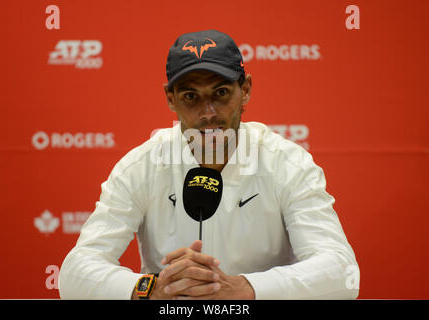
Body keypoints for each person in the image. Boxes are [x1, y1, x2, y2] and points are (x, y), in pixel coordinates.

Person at [59, 29, 360, 300]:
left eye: (221, 93)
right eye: (191, 96)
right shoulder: (141, 166)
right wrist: (153, 289)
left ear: (246, 90)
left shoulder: (288, 163)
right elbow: (74, 273)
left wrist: (246, 289)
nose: (208, 113)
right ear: (170, 99)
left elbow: (342, 272)